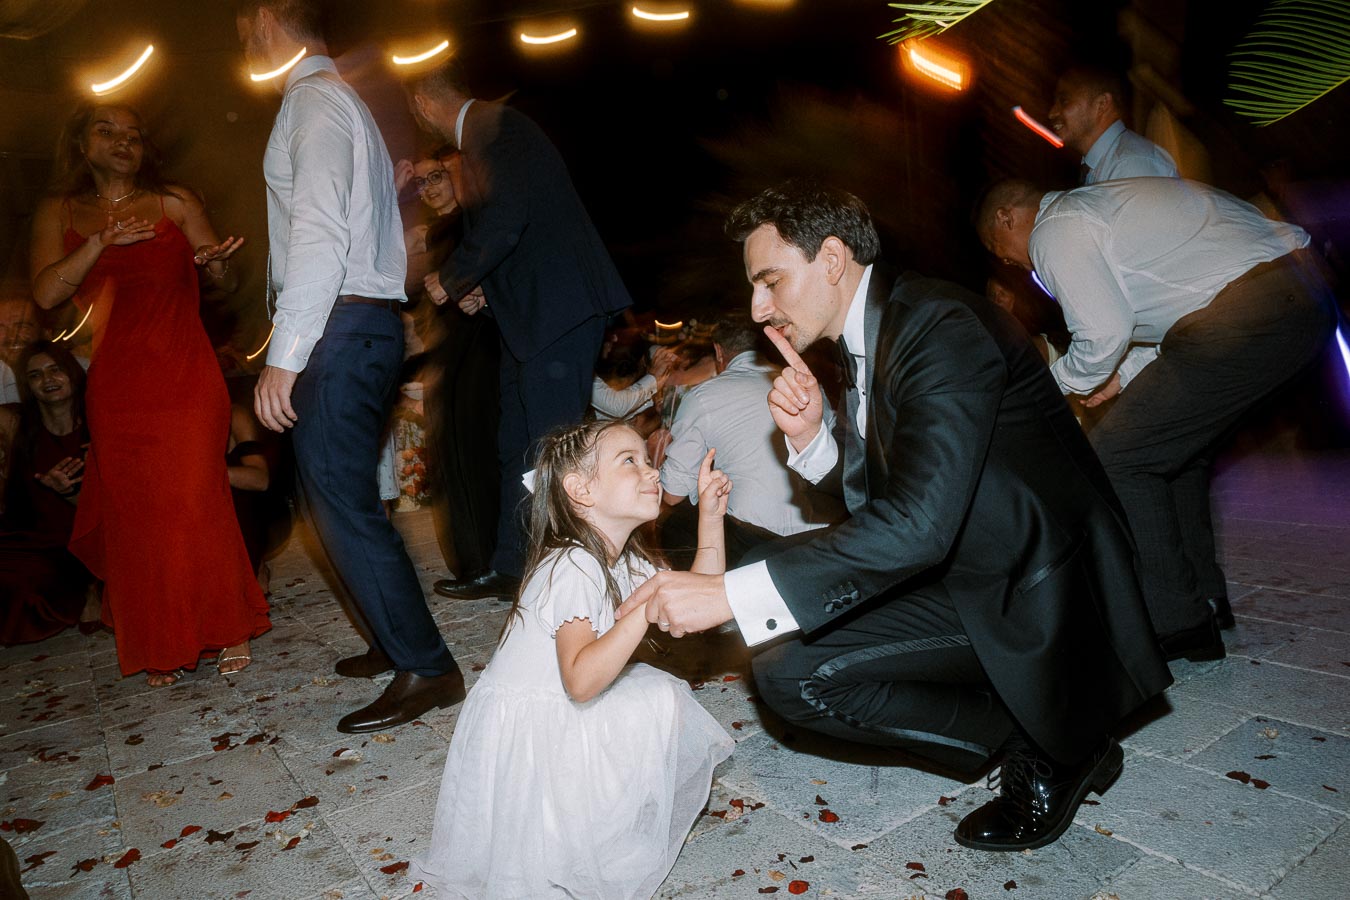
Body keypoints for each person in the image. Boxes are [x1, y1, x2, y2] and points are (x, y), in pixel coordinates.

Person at [618, 180, 1171, 852]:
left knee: (787, 659)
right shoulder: (877, 331)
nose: (759, 309)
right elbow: (886, 497)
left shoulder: (939, 327)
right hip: (962, 563)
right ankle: (1027, 720)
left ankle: (1061, 744)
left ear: (830, 259)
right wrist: (814, 440)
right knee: (775, 608)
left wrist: (729, 595)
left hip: (1034, 587)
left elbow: (916, 524)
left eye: (770, 281)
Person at [976, 176, 1337, 658]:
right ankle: (1205, 599)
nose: (1008, 263)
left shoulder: (1053, 228)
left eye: (998, 250)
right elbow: (1176, 312)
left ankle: (1177, 622)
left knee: (1119, 458)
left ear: (1007, 218)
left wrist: (1049, 388)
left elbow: (1103, 334)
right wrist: (1121, 376)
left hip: (1252, 311)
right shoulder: (1099, 207)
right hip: (1293, 292)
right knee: (1174, 449)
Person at [237, 0, 465, 729]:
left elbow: (318, 234)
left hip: (339, 324)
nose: (244, 40)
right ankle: (390, 637)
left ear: (267, 18)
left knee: (342, 503)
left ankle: (428, 667)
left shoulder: (313, 100)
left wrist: (286, 354)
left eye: (244, 27)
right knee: (329, 498)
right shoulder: (340, 101)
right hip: (357, 321)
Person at [410, 419, 734, 898]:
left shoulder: (623, 558)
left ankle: (591, 825)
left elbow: (699, 602)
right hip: (533, 728)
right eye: (630, 461)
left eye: (648, 459)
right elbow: (580, 682)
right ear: (581, 490)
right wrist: (644, 608)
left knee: (656, 696)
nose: (652, 470)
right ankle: (562, 830)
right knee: (651, 696)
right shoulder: (572, 563)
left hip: (560, 709)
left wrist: (710, 516)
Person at [28, 102, 268, 685]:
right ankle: (161, 633)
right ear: (81, 144)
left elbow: (223, 274)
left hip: (186, 376)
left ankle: (226, 623)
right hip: (117, 384)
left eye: (134, 134)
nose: (123, 141)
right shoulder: (60, 211)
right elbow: (46, 293)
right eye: (107, 131)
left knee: (195, 497)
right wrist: (100, 241)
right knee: (138, 513)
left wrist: (215, 266)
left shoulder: (174, 202)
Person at [404, 59, 634, 600]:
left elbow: (508, 218)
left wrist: (455, 277)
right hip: (528, 314)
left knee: (555, 447)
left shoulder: (495, 128)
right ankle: (512, 567)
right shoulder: (488, 134)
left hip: (560, 309)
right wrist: (486, 291)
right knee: (518, 445)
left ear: (423, 103)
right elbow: (524, 227)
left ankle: (578, 574)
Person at [399, 148, 504, 596]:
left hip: (479, 346)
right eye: (421, 182)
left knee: (476, 453)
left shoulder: (476, 222)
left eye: (436, 176)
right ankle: (471, 563)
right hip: (447, 351)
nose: (429, 188)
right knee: (451, 457)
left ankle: (489, 564)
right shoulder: (432, 233)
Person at [659, 311, 842, 568]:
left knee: (672, 524)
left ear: (718, 351)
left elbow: (672, 494)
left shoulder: (702, 396)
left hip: (754, 541)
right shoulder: (805, 386)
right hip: (825, 534)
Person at [0, 342, 96, 644]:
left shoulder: (98, 426)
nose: (48, 380)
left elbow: (107, 510)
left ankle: (90, 590)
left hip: (80, 541)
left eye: (56, 370)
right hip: (24, 538)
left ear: (72, 373)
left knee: (25, 586)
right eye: (36, 375)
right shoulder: (18, 425)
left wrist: (67, 492)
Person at [1048, 65, 1177, 184]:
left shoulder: (1133, 165)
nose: (1052, 113)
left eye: (1064, 101)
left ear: (1102, 104)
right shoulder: (1108, 162)